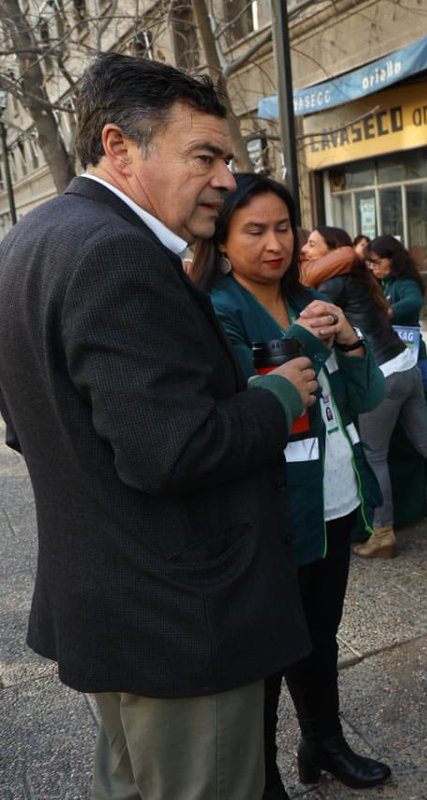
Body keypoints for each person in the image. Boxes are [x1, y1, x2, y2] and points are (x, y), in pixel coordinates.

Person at [0, 53, 315, 798]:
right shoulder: (118, 255)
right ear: (119, 147)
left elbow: (27, 423)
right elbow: (170, 451)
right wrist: (276, 398)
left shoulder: (28, 241)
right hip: (178, 626)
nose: (226, 179)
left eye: (228, 158)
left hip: (116, 614)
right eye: (203, 156)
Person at [191, 175, 392, 795]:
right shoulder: (216, 310)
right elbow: (247, 410)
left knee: (318, 636)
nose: (275, 243)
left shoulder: (308, 295)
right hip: (272, 506)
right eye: (254, 230)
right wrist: (306, 336)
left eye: (284, 229)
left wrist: (353, 339)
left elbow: (366, 397)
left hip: (333, 498)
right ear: (222, 241)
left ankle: (323, 743)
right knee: (268, 651)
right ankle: (263, 774)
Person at [302, 226, 427, 554]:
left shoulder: (335, 282)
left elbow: (304, 303)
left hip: (382, 374)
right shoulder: (358, 277)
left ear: (333, 251)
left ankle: (382, 532)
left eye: (312, 245)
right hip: (404, 365)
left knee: (374, 456)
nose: (305, 250)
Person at [366, 234, 427, 385]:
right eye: (370, 263)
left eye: (376, 262)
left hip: (411, 355)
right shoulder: (383, 284)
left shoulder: (404, 283)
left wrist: (387, 312)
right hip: (391, 355)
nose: (372, 267)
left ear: (392, 260)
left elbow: (414, 301)